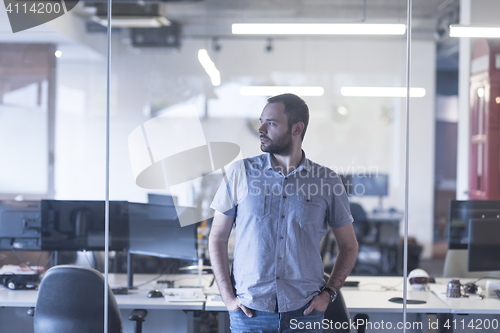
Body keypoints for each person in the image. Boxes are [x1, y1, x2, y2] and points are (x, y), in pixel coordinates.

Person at [209, 93, 358, 333]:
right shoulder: (241, 173)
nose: (261, 129)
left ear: (297, 128)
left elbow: (349, 246)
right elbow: (217, 237)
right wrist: (228, 298)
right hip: (250, 313)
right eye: (261, 121)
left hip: (305, 313)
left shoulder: (327, 180)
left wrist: (328, 294)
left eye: (271, 123)